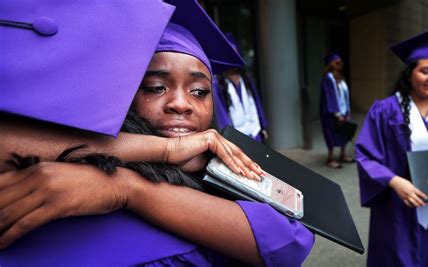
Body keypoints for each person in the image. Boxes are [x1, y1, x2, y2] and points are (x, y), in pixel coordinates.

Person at [0, 0, 315, 266]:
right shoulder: (59, 179)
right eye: (155, 87)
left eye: (200, 91)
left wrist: (127, 189)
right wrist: (158, 151)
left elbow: (289, 242)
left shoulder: (213, 167)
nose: (181, 103)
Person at [355, 29, 428, 267]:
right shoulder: (386, 110)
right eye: (425, 71)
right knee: (396, 258)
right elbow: (365, 155)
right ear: (410, 73)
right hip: (397, 208)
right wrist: (395, 181)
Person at [213, 32, 268, 143]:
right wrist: (227, 137)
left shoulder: (246, 78)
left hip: (255, 132)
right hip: (237, 139)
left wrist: (263, 126)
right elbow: (221, 114)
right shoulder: (218, 83)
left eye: (235, 54)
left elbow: (256, 103)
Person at [319, 52, 354, 168]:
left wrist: (348, 111)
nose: (339, 63)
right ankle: (330, 159)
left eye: (340, 61)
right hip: (331, 113)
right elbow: (330, 97)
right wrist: (337, 113)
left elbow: (345, 95)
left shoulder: (341, 78)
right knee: (331, 134)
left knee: (344, 133)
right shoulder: (328, 79)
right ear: (330, 64)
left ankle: (343, 155)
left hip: (343, 111)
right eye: (336, 61)